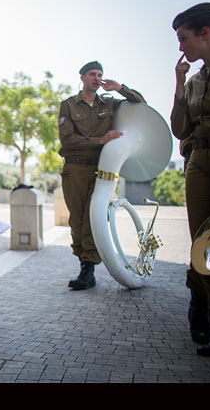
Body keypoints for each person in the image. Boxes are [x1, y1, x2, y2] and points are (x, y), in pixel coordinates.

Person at [57, 61, 146, 290]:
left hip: (102, 168)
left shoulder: (110, 103)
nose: (97, 78)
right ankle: (84, 262)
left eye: (100, 75)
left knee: (92, 219)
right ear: (82, 77)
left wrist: (120, 88)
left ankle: (88, 269)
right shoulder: (67, 106)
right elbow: (67, 139)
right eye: (92, 74)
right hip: (75, 168)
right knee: (76, 219)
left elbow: (140, 103)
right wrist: (100, 140)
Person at [170, 2, 210, 356]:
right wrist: (179, 84)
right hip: (199, 159)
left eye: (184, 38)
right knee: (203, 243)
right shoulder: (196, 78)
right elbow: (179, 128)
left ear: (206, 33)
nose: (181, 47)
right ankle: (201, 313)